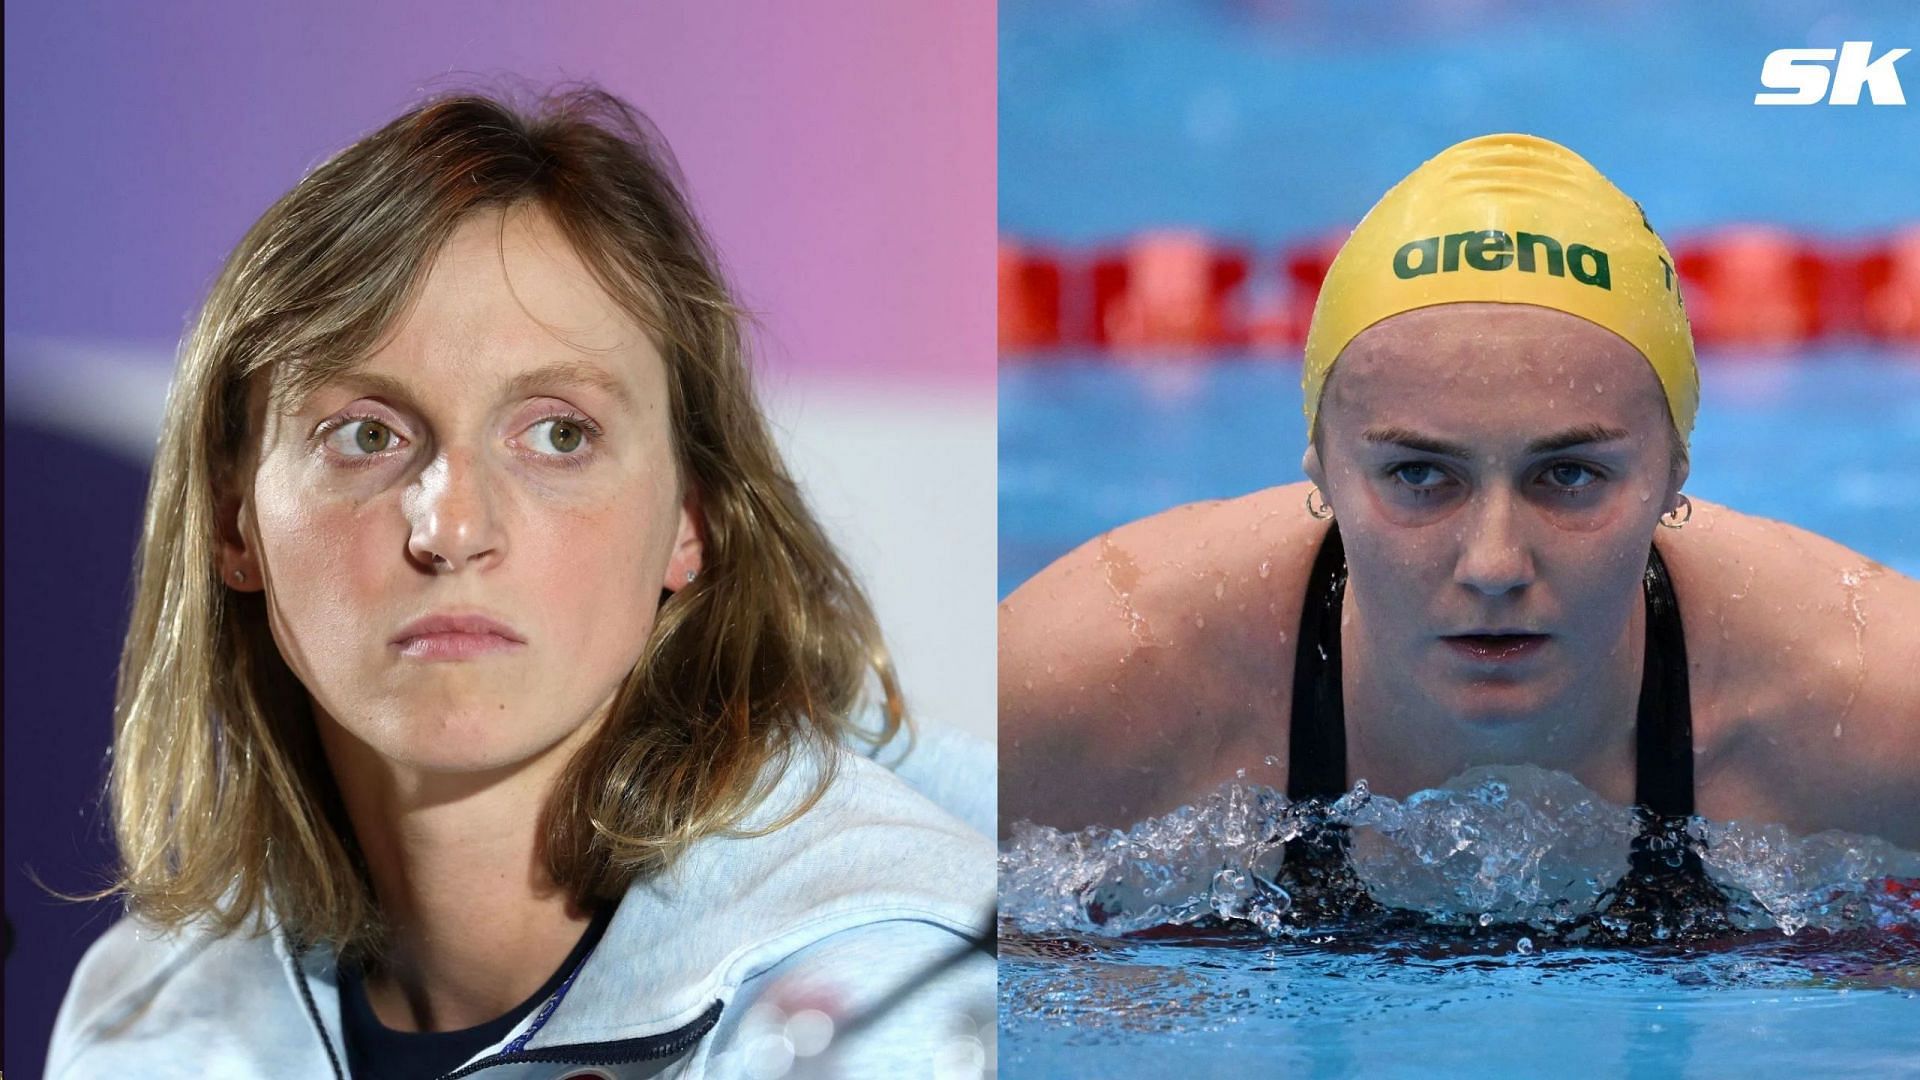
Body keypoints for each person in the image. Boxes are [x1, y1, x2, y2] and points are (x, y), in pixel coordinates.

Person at [49, 86, 994, 1078]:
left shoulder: (896, 1005)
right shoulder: (148, 1022)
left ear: (692, 520)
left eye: (557, 435)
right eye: (368, 436)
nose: (453, 528)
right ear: (235, 520)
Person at [1000, 133, 1920, 884]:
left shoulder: (1873, 713)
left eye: (1568, 477)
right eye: (1418, 477)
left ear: (1675, 473)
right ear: (1319, 467)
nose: (1493, 564)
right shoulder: (1087, 688)